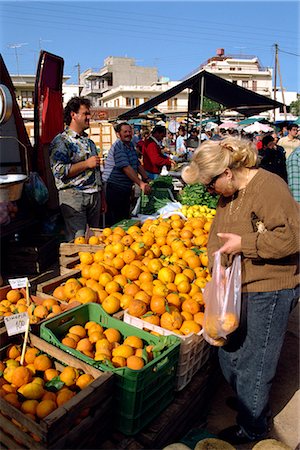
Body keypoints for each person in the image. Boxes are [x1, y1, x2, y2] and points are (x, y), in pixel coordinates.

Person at [182, 137, 299, 445]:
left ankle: (253, 426)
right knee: (229, 352)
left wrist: (244, 245)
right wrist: (214, 262)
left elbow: (292, 239)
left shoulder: (269, 187)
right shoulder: (227, 196)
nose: (209, 193)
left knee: (256, 360)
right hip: (237, 287)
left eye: (209, 185)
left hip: (271, 286)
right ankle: (251, 399)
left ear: (227, 173)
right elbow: (214, 237)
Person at [50, 96, 104, 241]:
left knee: (94, 240)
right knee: (78, 241)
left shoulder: (89, 142)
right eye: (85, 113)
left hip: (94, 196)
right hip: (74, 197)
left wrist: (101, 196)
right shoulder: (62, 141)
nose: (89, 117)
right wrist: (86, 164)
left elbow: (96, 171)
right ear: (73, 115)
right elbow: (59, 171)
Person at [103, 122, 151, 225]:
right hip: (114, 187)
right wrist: (141, 183)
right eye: (125, 132)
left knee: (124, 216)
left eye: (130, 131)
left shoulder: (130, 145)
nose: (128, 134)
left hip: (125, 187)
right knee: (116, 220)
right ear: (118, 134)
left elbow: (137, 164)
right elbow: (126, 168)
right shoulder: (118, 146)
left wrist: (146, 178)